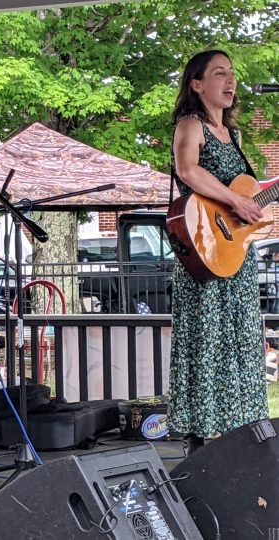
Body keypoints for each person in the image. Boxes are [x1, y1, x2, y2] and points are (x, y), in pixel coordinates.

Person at [167, 50, 268, 455]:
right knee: (206, 339)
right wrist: (236, 202)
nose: (230, 81)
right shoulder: (191, 125)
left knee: (240, 340)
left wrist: (250, 217)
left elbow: (245, 202)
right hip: (203, 252)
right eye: (219, 73)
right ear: (196, 84)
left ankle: (239, 433)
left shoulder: (236, 137)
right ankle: (199, 438)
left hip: (234, 257)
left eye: (232, 74)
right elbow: (188, 170)